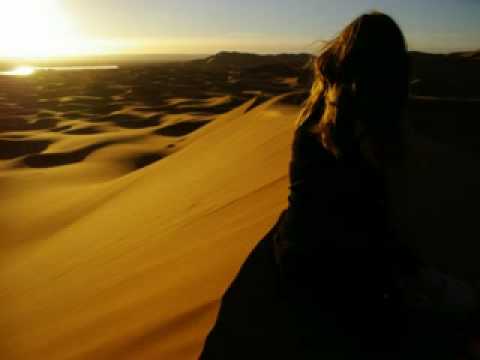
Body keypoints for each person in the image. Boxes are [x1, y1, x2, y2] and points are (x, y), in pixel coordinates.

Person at [201, 11, 479, 359]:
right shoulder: (368, 125)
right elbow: (362, 221)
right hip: (343, 269)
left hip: (295, 250)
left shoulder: (318, 112)